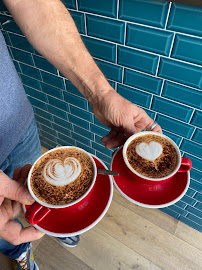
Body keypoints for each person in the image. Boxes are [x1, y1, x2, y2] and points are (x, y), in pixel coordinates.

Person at [0, 0, 162, 269]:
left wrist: (102, 94)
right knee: (9, 226)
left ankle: (61, 222)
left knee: (33, 196)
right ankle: (20, 252)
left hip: (16, 121)